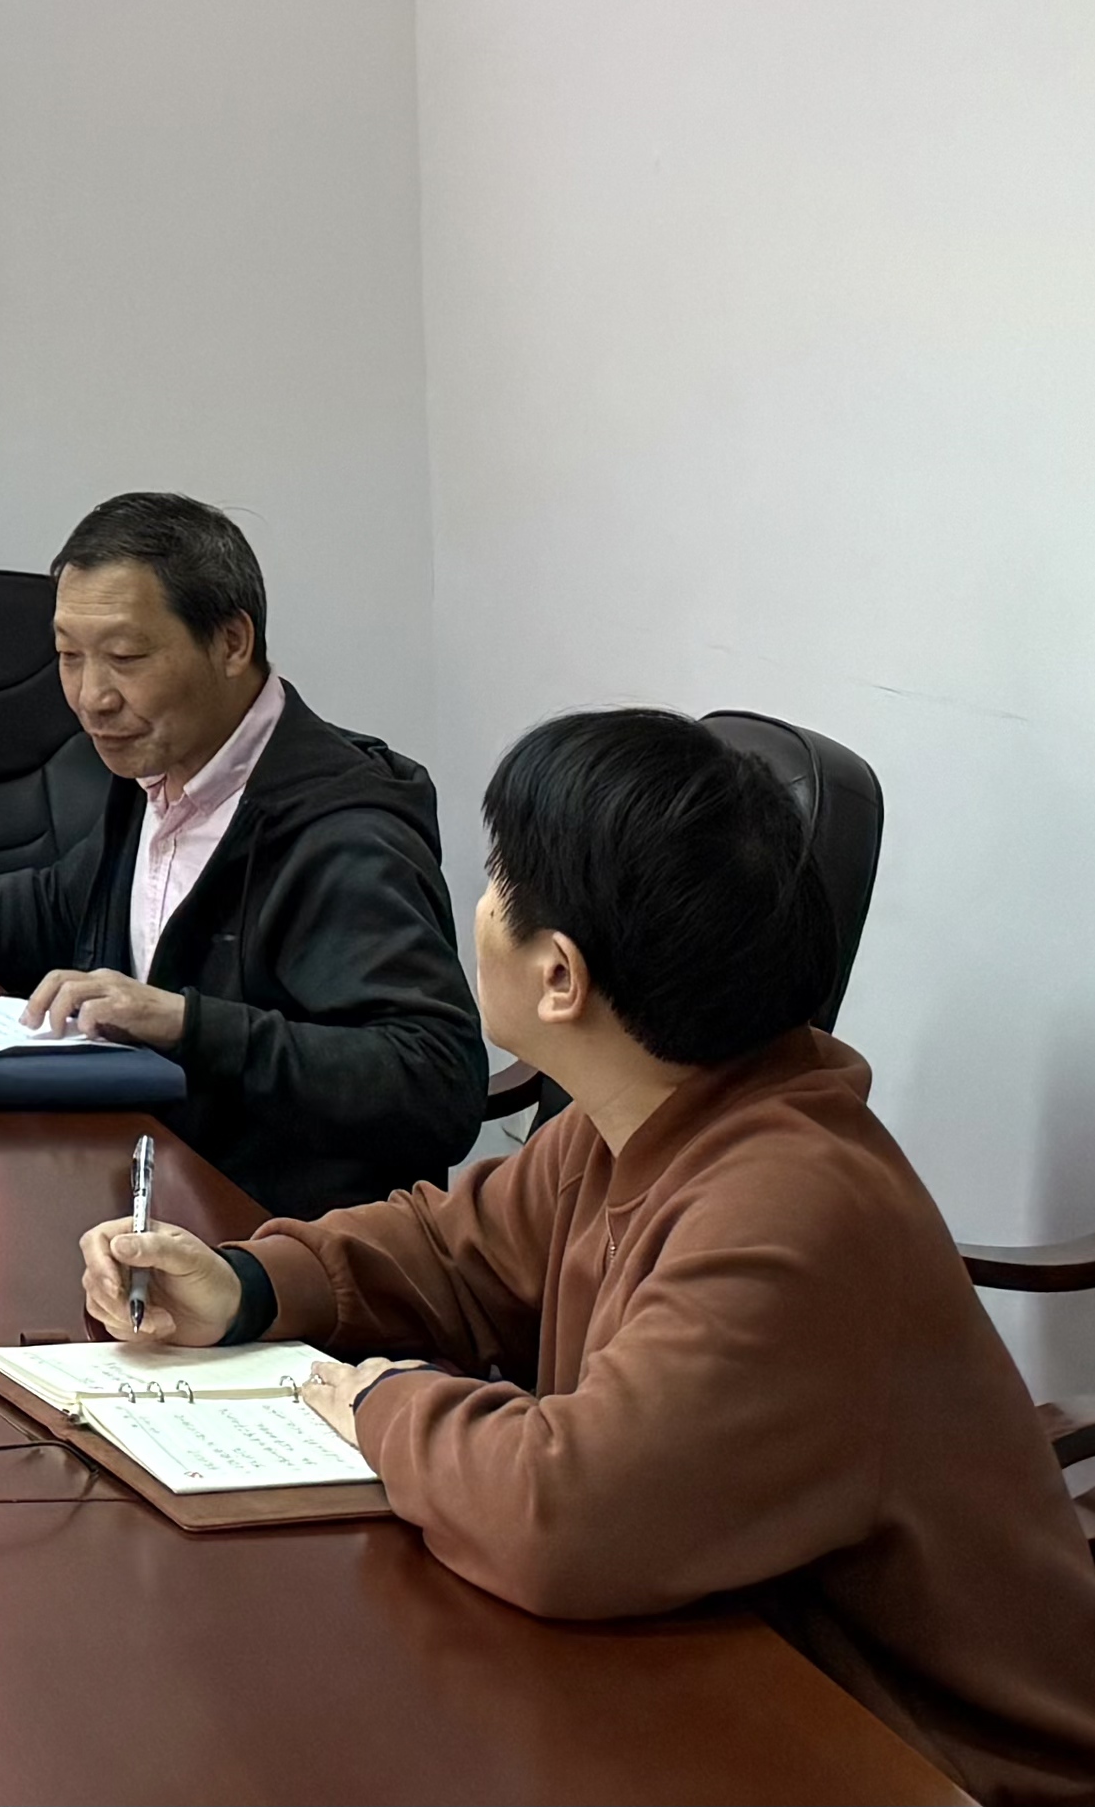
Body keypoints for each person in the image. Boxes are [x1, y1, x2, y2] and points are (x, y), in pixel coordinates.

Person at [81, 709, 1095, 1803]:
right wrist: (245, 1282)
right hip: (732, 1680)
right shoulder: (646, 1115)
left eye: (498, 881)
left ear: (560, 976)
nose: (479, 907)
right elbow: (449, 1248)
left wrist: (378, 1401)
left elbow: (564, 1515)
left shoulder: (789, 1212)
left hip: (935, 1764)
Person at [0, 492, 482, 1216]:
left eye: (123, 656)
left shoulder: (341, 832)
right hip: (138, 1193)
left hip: (278, 1246)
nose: (90, 697)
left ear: (231, 642)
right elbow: (55, 904)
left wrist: (184, 1021)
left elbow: (435, 1081)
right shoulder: (160, 770)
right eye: (68, 656)